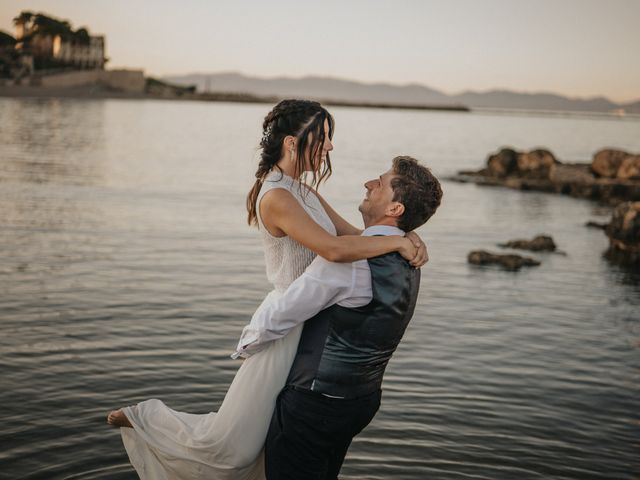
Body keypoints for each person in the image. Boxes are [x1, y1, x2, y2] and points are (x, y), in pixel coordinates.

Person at [106, 99, 428, 480]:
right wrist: (397, 243)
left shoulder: (303, 191)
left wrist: (407, 235)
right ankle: (146, 418)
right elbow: (335, 250)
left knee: (262, 446)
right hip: (286, 326)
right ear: (292, 143)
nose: (329, 147)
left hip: (311, 325)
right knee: (233, 446)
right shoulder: (276, 197)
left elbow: (359, 237)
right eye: (323, 138)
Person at [233, 155, 443, 480]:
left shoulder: (349, 259)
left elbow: (284, 312)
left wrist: (245, 346)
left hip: (316, 401)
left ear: (395, 209)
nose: (369, 184)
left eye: (381, 183)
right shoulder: (409, 258)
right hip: (363, 399)